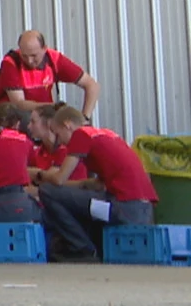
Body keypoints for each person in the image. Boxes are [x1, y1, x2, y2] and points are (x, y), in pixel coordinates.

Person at [34, 104, 156, 261]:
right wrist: (67, 188)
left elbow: (59, 178)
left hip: (121, 208)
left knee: (47, 192)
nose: (61, 142)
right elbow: (96, 184)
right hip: (143, 209)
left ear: (67, 125)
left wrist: (39, 175)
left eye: (58, 134)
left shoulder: (81, 135)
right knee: (73, 199)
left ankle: (82, 248)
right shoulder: (106, 134)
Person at [0, 31, 101, 116]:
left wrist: (84, 118)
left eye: (34, 55)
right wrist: (53, 107)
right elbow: (19, 104)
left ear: (44, 49)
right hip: (14, 117)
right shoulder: (11, 63)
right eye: (24, 56)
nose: (29, 61)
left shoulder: (54, 59)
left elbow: (92, 85)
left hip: (43, 114)